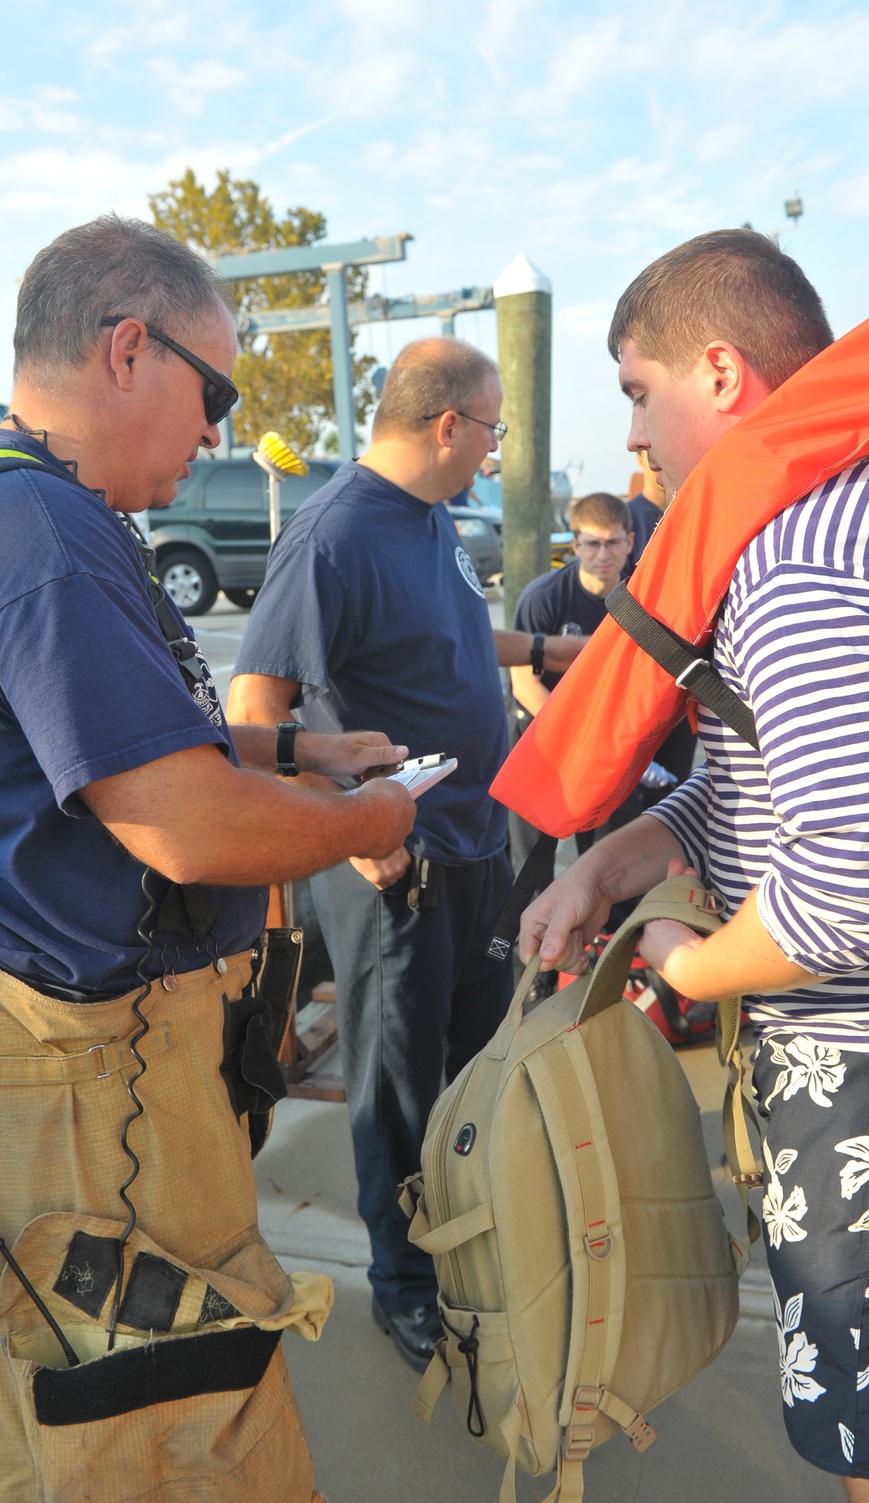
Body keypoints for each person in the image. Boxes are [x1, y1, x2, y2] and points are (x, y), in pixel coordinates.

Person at [520, 229, 869, 1502]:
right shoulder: (859, 499)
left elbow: (854, 885)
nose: (631, 439)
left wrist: (684, 963)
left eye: (638, 391)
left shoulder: (800, 563)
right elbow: (747, 792)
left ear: (722, 375)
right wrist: (613, 865)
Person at [0, 216, 418, 1501]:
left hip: (88, 1073)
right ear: (130, 348)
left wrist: (291, 752)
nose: (220, 434)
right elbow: (180, 823)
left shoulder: (43, 513)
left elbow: (91, 759)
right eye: (214, 392)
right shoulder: (46, 528)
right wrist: (372, 820)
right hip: (99, 1084)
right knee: (166, 1422)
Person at [227, 338, 516, 1373]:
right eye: (491, 429)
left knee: (477, 1082)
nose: (493, 451)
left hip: (479, 849)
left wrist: (551, 652)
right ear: (447, 425)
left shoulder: (432, 518)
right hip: (396, 867)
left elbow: (448, 641)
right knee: (396, 1096)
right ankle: (403, 1288)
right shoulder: (332, 533)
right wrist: (354, 839)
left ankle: (467, 1252)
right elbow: (256, 708)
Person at [508, 493, 643, 926]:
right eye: (591, 544)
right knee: (532, 866)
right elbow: (522, 681)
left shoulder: (642, 595)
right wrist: (575, 735)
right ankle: (530, 973)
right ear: (574, 545)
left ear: (630, 542)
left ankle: (608, 951)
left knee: (608, 856)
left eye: (612, 543)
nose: (602, 555)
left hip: (610, 746)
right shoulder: (544, 597)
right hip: (545, 741)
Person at [626, 447, 667, 566]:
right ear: (639, 459)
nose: (660, 460)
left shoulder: (698, 514)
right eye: (652, 451)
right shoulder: (625, 521)